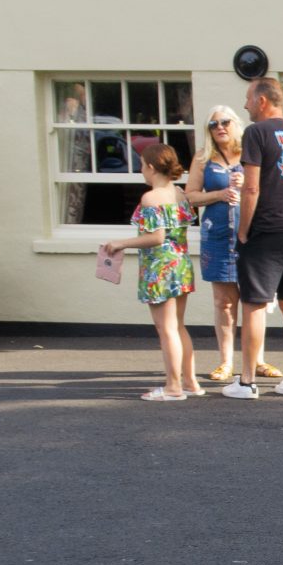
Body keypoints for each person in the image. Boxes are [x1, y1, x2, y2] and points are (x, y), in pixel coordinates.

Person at [224, 77, 283, 398]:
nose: (245, 105)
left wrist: (243, 230)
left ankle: (246, 382)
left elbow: (251, 188)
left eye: (248, 98)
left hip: (266, 227)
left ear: (262, 100)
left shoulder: (256, 132)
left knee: (253, 303)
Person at [184, 105, 264, 384]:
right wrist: (219, 194)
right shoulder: (203, 158)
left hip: (250, 233)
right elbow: (191, 196)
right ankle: (226, 361)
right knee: (224, 302)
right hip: (217, 235)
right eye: (213, 124)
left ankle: (257, 360)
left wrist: (247, 185)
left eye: (225, 122)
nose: (219, 127)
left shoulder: (251, 153)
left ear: (235, 124)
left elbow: (268, 191)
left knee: (254, 299)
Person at [114, 142, 198, 400]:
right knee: (179, 326)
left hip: (160, 268)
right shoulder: (180, 193)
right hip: (181, 264)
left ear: (151, 167)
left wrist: (120, 244)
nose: (141, 170)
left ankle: (173, 387)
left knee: (166, 329)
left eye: (141, 165)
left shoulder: (151, 198)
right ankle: (190, 382)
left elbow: (156, 237)